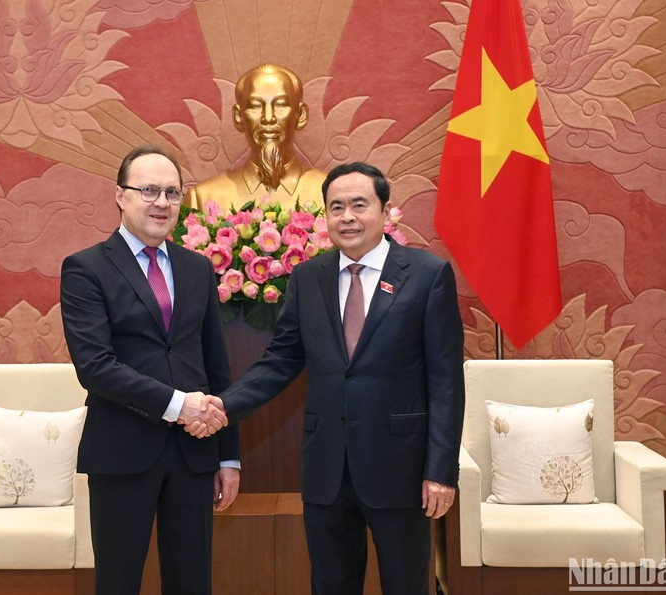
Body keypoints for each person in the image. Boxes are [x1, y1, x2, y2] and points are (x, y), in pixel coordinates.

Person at [188, 162, 464, 594]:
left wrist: (441, 470)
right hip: (327, 469)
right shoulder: (308, 276)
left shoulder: (427, 275)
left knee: (407, 584)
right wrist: (224, 404)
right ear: (326, 217)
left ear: (384, 210)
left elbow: (446, 381)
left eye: (359, 205)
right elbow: (281, 360)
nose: (347, 217)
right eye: (336, 208)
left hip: (402, 469)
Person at [60, 146, 240, 595]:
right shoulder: (86, 268)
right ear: (120, 196)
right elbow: (95, 367)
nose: (162, 202)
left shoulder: (197, 268)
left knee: (192, 580)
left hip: (194, 455)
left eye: (173, 193)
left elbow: (217, 367)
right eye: (149, 190)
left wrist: (228, 456)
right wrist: (178, 406)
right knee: (119, 582)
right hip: (122, 451)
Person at [187, 64, 326, 212]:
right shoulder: (202, 198)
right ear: (238, 117)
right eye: (255, 106)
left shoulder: (331, 195)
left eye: (280, 105)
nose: (268, 118)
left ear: (301, 115)